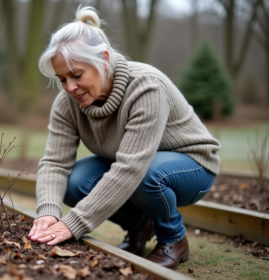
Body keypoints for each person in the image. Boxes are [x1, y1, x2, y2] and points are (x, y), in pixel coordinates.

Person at [28, 5, 220, 270]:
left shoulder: (146, 87)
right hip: (136, 166)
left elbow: (131, 168)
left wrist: (72, 224)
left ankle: (173, 238)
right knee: (74, 181)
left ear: (104, 59)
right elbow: (54, 163)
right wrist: (48, 212)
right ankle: (140, 226)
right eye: (62, 79)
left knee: (147, 173)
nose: (69, 87)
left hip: (192, 165)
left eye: (77, 75)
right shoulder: (67, 103)